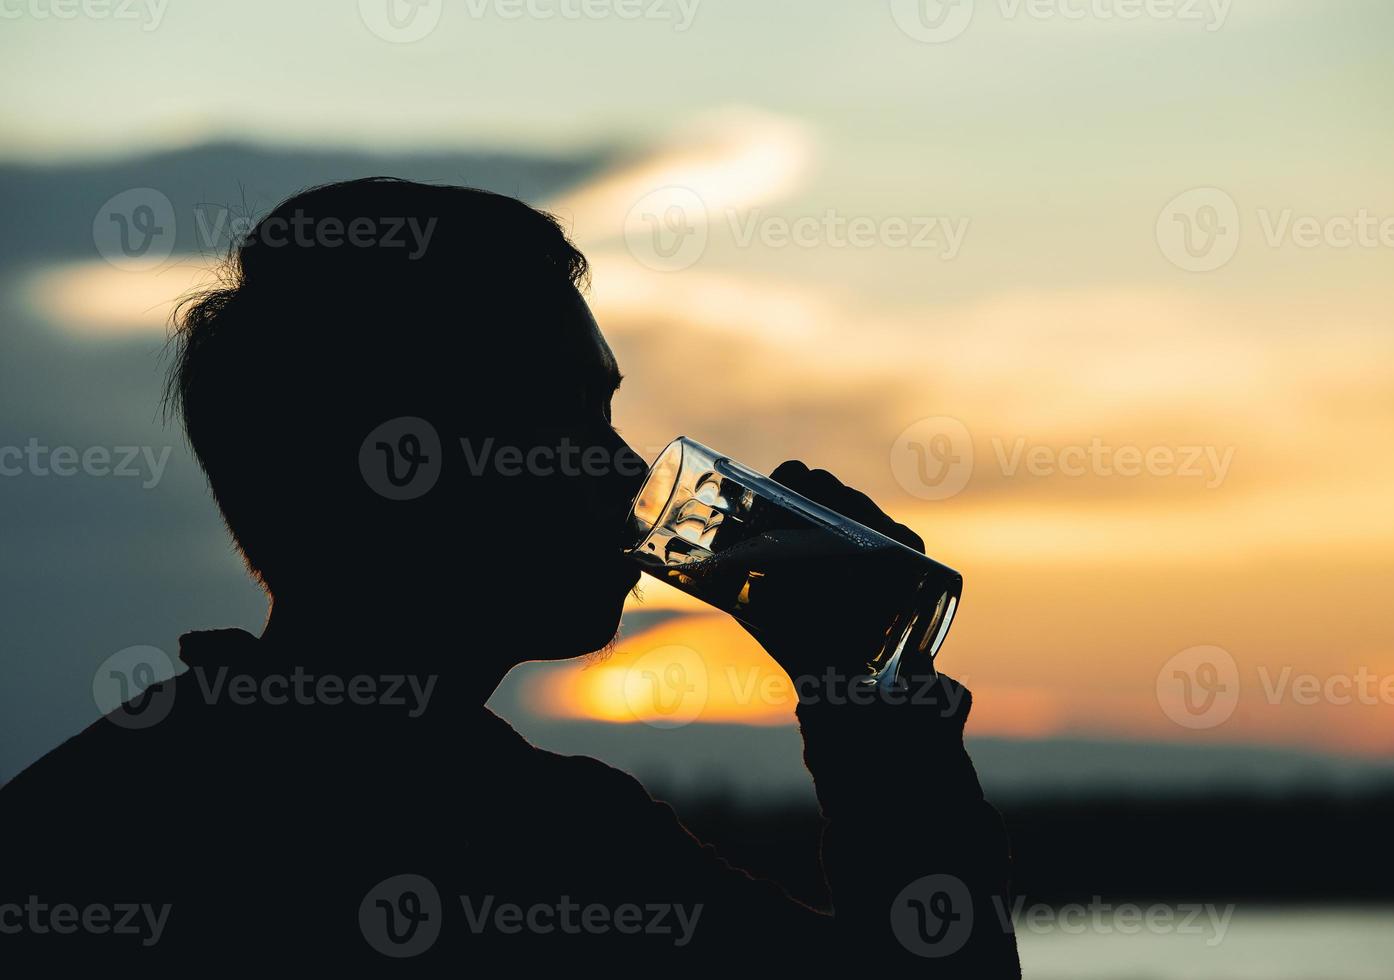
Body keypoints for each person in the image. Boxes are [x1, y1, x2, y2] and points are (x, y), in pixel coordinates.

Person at [0, 178, 1021, 972]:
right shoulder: (551, 849)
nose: (628, 472)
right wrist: (882, 734)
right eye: (575, 415)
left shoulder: (84, 815)